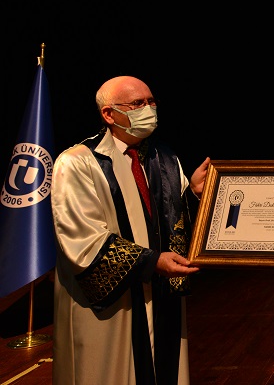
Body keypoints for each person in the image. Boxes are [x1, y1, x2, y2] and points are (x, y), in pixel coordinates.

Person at [51, 75, 210, 385]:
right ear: (109, 114)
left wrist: (192, 194)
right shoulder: (77, 163)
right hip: (115, 304)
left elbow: (173, 222)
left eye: (151, 102)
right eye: (138, 103)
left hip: (160, 295)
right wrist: (151, 262)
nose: (148, 109)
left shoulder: (165, 158)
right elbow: (83, 239)